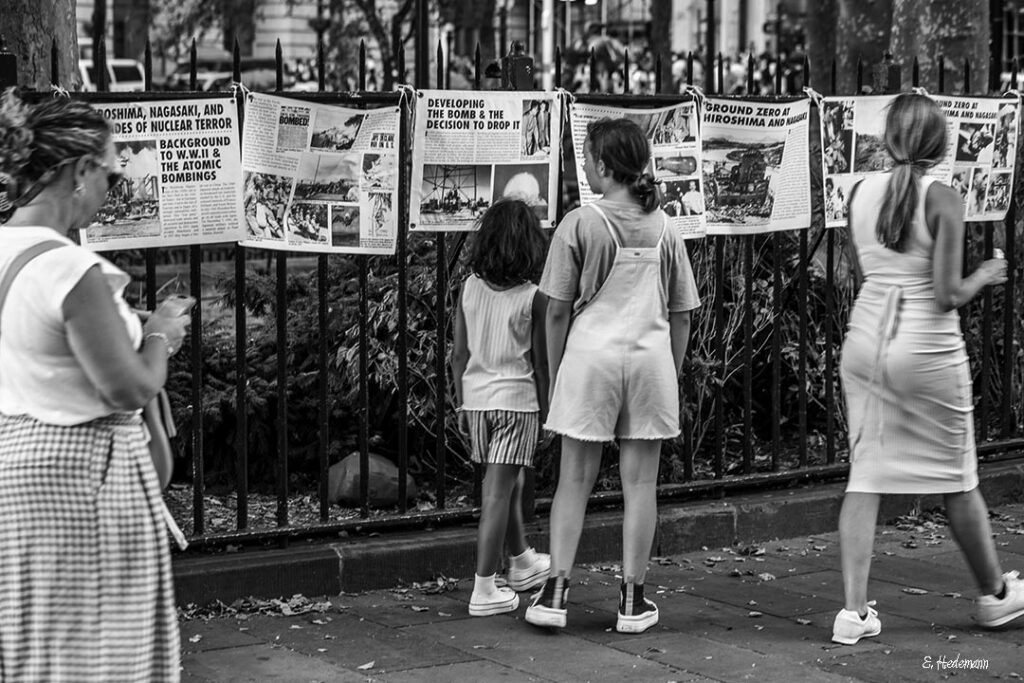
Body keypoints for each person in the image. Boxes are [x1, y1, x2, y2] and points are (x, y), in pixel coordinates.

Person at [0, 89, 189, 680]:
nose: (111, 191)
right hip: (85, 480)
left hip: (19, 465)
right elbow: (129, 388)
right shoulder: (69, 267)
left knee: (45, 650)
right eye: (109, 174)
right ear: (78, 171)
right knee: (106, 655)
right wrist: (159, 334)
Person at [834, 93, 1021, 646]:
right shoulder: (943, 196)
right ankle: (995, 595)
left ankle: (853, 612)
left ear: (889, 140)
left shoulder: (859, 193)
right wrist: (986, 273)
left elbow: (862, 265)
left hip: (866, 338)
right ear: (940, 145)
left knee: (864, 476)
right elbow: (945, 294)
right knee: (958, 477)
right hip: (926, 348)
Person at [525, 118, 699, 634]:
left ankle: (554, 592)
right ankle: (632, 601)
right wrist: (672, 368)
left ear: (602, 166)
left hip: (590, 359)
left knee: (574, 480)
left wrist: (557, 375)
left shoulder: (580, 223)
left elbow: (555, 310)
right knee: (641, 484)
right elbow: (682, 312)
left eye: (586, 159)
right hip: (650, 360)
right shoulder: (667, 227)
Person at [452, 199, 552, 617]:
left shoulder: (469, 288)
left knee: (504, 484)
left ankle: (523, 562)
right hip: (516, 402)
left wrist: (459, 401)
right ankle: (484, 588)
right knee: (498, 491)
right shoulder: (535, 298)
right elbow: (542, 364)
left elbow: (459, 354)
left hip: (475, 402)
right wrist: (549, 411)